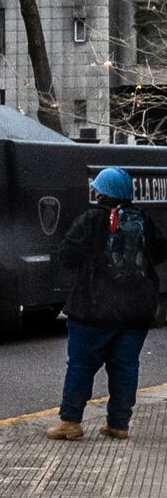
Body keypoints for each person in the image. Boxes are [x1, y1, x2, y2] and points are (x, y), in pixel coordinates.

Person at [48, 167, 167, 441]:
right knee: (125, 366)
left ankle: (70, 423)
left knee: (81, 364)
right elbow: (160, 251)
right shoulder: (143, 220)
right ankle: (119, 424)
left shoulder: (91, 219)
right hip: (136, 312)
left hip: (94, 309)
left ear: (102, 192)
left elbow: (67, 256)